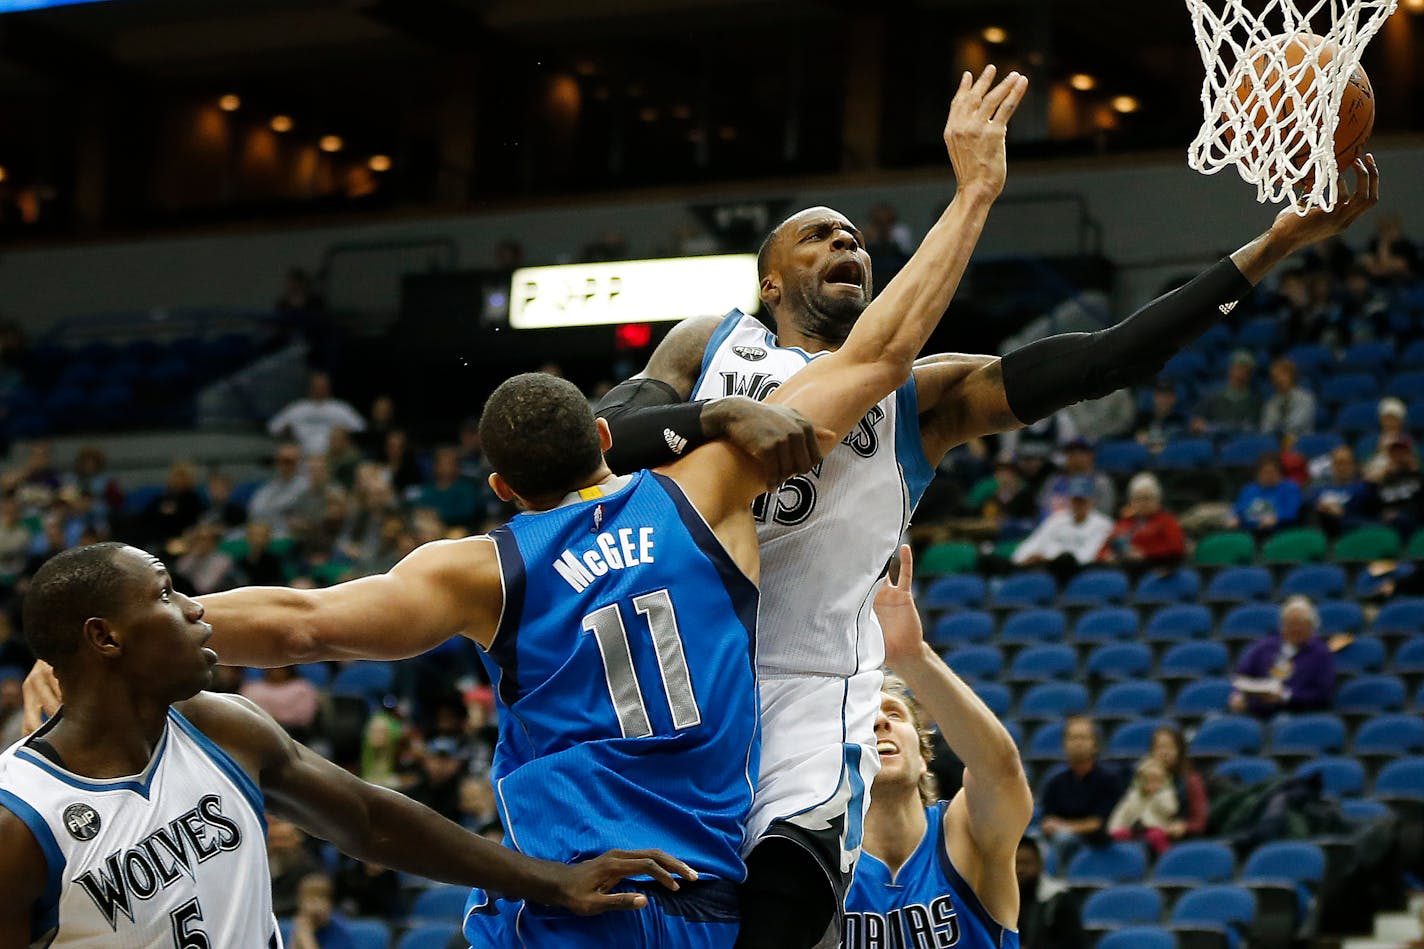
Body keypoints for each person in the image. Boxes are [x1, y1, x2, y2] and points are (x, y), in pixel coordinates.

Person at [23, 70, 1014, 949]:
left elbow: (302, 622)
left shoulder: (482, 567)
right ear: (600, 442)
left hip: (555, 899)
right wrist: (970, 190)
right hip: (689, 895)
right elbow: (879, 357)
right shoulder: (702, 494)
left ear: (498, 487)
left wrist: (100, 647)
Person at [589, 147, 1377, 948]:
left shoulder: (925, 395)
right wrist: (719, 419)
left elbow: (1110, 356)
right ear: (769, 282)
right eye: (820, 236)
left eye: (856, 238)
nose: (847, 245)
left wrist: (1271, 245)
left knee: (790, 890)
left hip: (815, 681)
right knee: (650, 900)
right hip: (686, 660)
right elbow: (602, 444)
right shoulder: (708, 346)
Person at [0, 544, 691, 948]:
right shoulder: (20, 820)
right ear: (105, 637)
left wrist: (554, 878)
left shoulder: (222, 727)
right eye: (165, 594)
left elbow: (370, 819)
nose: (195, 608)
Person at [843, 546, 1031, 949]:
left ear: (925, 754)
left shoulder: (965, 833)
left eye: (894, 714)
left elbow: (1000, 771)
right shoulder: (821, 859)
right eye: (863, 723)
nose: (879, 723)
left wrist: (912, 657)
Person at [1229, 595, 1336, 717]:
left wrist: (1286, 695)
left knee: (1281, 721)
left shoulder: (1321, 653)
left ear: (1312, 626)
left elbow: (1322, 694)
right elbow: (1242, 674)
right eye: (1290, 624)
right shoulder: (1265, 645)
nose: (1295, 629)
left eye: (1300, 624)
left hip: (1294, 713)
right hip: (1255, 708)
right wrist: (1237, 694)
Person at [1039, 717, 1120, 875]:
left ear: (1095, 745)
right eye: (1073, 738)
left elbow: (1099, 823)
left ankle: (1056, 880)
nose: (1078, 743)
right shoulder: (1055, 781)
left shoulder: (1109, 779)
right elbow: (1047, 820)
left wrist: (1064, 827)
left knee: (1063, 839)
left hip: (1095, 841)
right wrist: (1051, 826)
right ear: (1064, 745)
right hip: (1057, 838)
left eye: (1083, 738)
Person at [1010, 478, 1114, 583]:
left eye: (1082, 501)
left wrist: (1049, 559)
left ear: (1092, 500)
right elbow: (1035, 541)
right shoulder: (1056, 519)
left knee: (1065, 560)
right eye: (1075, 500)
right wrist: (1023, 558)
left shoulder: (1103, 524)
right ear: (1070, 500)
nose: (1078, 505)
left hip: (1078, 571)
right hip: (1046, 568)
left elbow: (1088, 556)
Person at [1099, 472, 1185, 573]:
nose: (1142, 503)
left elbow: (1176, 549)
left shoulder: (1167, 521)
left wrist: (1145, 553)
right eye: (1137, 499)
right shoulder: (1123, 523)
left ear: (1157, 500)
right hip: (1119, 567)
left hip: (1151, 567)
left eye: (1147, 498)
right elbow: (1102, 551)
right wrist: (1107, 556)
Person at [268, 371, 366, 458]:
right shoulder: (298, 408)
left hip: (333, 457)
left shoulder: (340, 408)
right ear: (310, 388)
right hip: (302, 456)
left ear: (328, 388)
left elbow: (361, 427)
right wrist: (287, 430)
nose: (319, 390)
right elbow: (273, 427)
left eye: (322, 387)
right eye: (316, 387)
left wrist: (345, 432)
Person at [1015, 837, 1085, 949]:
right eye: (1016, 864)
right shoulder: (1001, 901)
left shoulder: (1059, 897)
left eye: (1026, 863)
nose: (1020, 869)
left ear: (1040, 864)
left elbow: (1075, 943)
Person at [1107, 757, 1179, 855]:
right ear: (1140, 781)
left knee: (1156, 836)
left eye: (1156, 780)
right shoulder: (1133, 795)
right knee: (1119, 834)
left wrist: (1157, 795)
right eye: (1148, 780)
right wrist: (1113, 829)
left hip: (1157, 828)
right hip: (1134, 829)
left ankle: (1167, 856)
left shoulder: (1166, 794)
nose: (1152, 783)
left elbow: (1171, 809)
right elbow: (1121, 813)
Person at [1038, 440, 1116, 518]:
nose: (1075, 458)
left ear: (1090, 456)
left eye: (1079, 454)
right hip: (1055, 526)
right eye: (1070, 454)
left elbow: (1104, 513)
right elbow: (1043, 508)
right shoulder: (1055, 481)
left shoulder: (1100, 482)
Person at [1230, 452, 1302, 535]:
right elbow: (1237, 509)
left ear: (1280, 473)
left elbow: (1291, 512)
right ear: (1257, 474)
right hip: (1249, 532)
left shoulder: (1290, 488)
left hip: (1278, 532)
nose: (1269, 476)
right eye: (1265, 472)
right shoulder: (1248, 490)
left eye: (1272, 472)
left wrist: (1276, 519)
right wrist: (1233, 518)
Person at [1307, 444, 1371, 537]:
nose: (1342, 467)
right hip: (1323, 531)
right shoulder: (1320, 489)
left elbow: (1360, 507)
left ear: (1354, 465)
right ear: (1332, 465)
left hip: (1351, 533)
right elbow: (1309, 503)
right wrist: (1323, 507)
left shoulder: (1361, 487)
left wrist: (1341, 510)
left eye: (1347, 463)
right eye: (1338, 463)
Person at [1191, 349, 1259, 434]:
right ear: (1230, 370)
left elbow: (1250, 427)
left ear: (1250, 374)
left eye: (1245, 369)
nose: (1240, 373)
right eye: (1237, 367)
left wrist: (1214, 427)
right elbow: (1196, 423)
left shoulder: (1255, 401)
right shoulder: (1212, 396)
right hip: (1213, 440)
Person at [1259, 357, 1317, 437]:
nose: (1278, 379)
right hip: (1275, 444)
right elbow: (1266, 428)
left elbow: (1295, 425)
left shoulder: (1306, 398)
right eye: (1274, 376)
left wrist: (1277, 428)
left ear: (1292, 375)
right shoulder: (1271, 403)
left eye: (1282, 375)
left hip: (1299, 442)